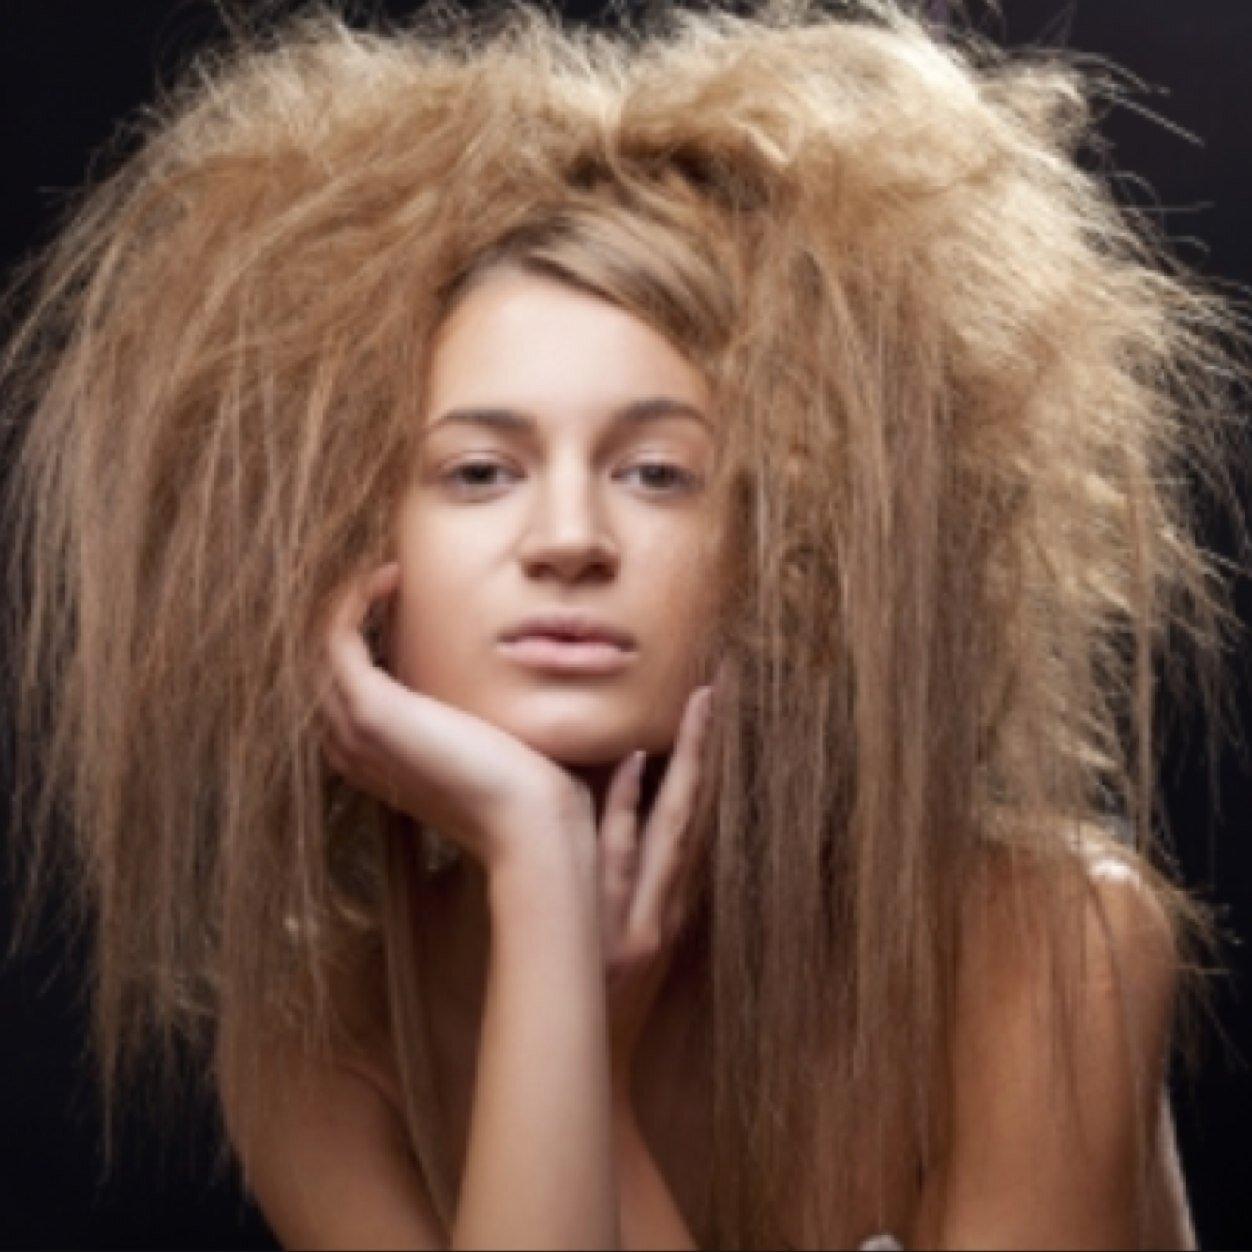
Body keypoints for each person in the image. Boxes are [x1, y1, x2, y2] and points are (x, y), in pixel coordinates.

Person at [3, 0, 1248, 1246]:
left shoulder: (1044, 947)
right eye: (479, 473)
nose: (567, 539)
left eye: (656, 473)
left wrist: (586, 1068)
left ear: (792, 538)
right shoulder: (322, 1039)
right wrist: (539, 863)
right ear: (358, 548)